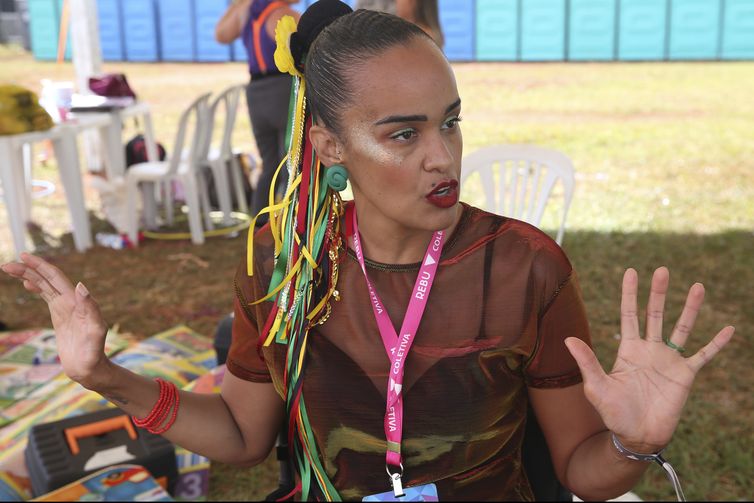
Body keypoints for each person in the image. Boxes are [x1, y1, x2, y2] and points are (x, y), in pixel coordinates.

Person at [1, 1, 734, 501]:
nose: (443, 157)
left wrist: (632, 443)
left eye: (450, 122)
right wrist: (106, 376)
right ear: (329, 146)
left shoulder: (523, 267)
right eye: (403, 134)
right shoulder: (280, 257)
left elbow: (579, 467)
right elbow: (240, 433)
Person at [215, 0, 301, 226]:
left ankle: (259, 224)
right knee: (291, 163)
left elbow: (221, 35)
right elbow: (307, 49)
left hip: (256, 92)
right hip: (282, 90)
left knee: (270, 163)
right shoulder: (282, 14)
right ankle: (291, 223)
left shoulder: (247, 11)